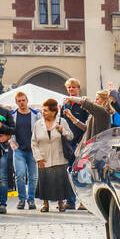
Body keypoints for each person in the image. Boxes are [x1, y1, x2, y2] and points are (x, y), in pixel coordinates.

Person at [33, 97, 73, 212]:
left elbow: (70, 136)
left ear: (53, 111)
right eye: (42, 110)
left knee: (59, 181)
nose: (43, 112)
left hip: (59, 156)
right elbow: (34, 142)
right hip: (43, 157)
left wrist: (63, 131)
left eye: (45, 110)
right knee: (44, 180)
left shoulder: (62, 122)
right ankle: (45, 204)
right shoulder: (38, 124)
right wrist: (38, 158)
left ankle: (61, 203)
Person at [59, 78, 87, 210]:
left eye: (73, 87)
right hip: (68, 143)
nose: (71, 89)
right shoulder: (65, 105)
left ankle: (83, 202)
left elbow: (86, 125)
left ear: (78, 88)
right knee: (69, 173)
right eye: (69, 87)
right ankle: (70, 201)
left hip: (81, 143)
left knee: (81, 173)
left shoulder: (83, 104)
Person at [9, 90, 39, 209]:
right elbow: (9, 130)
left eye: (23, 100)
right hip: (19, 149)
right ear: (16, 102)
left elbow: (39, 130)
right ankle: (21, 199)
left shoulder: (36, 114)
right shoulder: (12, 115)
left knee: (33, 177)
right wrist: (11, 141)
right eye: (19, 101)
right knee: (20, 175)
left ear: (27, 101)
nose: (22, 103)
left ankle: (31, 200)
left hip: (32, 149)